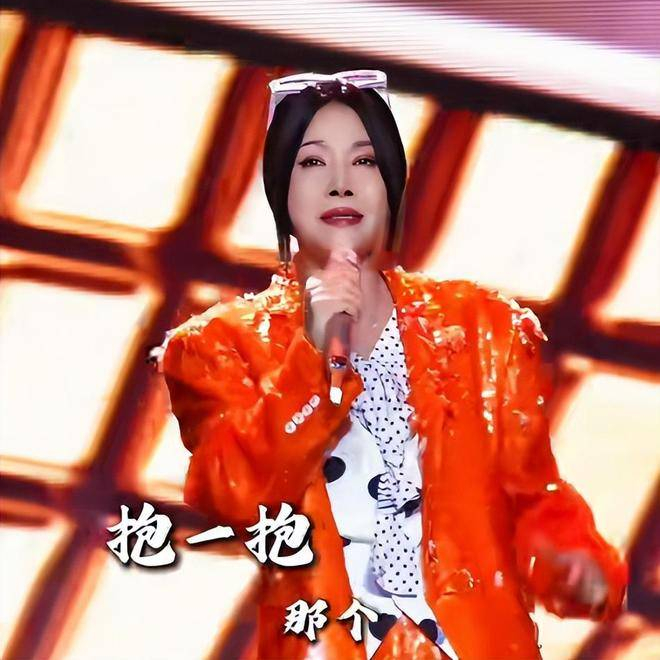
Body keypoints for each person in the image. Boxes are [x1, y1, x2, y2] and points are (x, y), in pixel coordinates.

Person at [157, 72, 627, 659]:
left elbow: (530, 494)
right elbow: (234, 494)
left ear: (392, 183)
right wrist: (313, 358)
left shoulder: (483, 327)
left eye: (364, 162)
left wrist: (572, 562)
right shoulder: (217, 345)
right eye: (312, 163)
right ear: (279, 186)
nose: (341, 184)